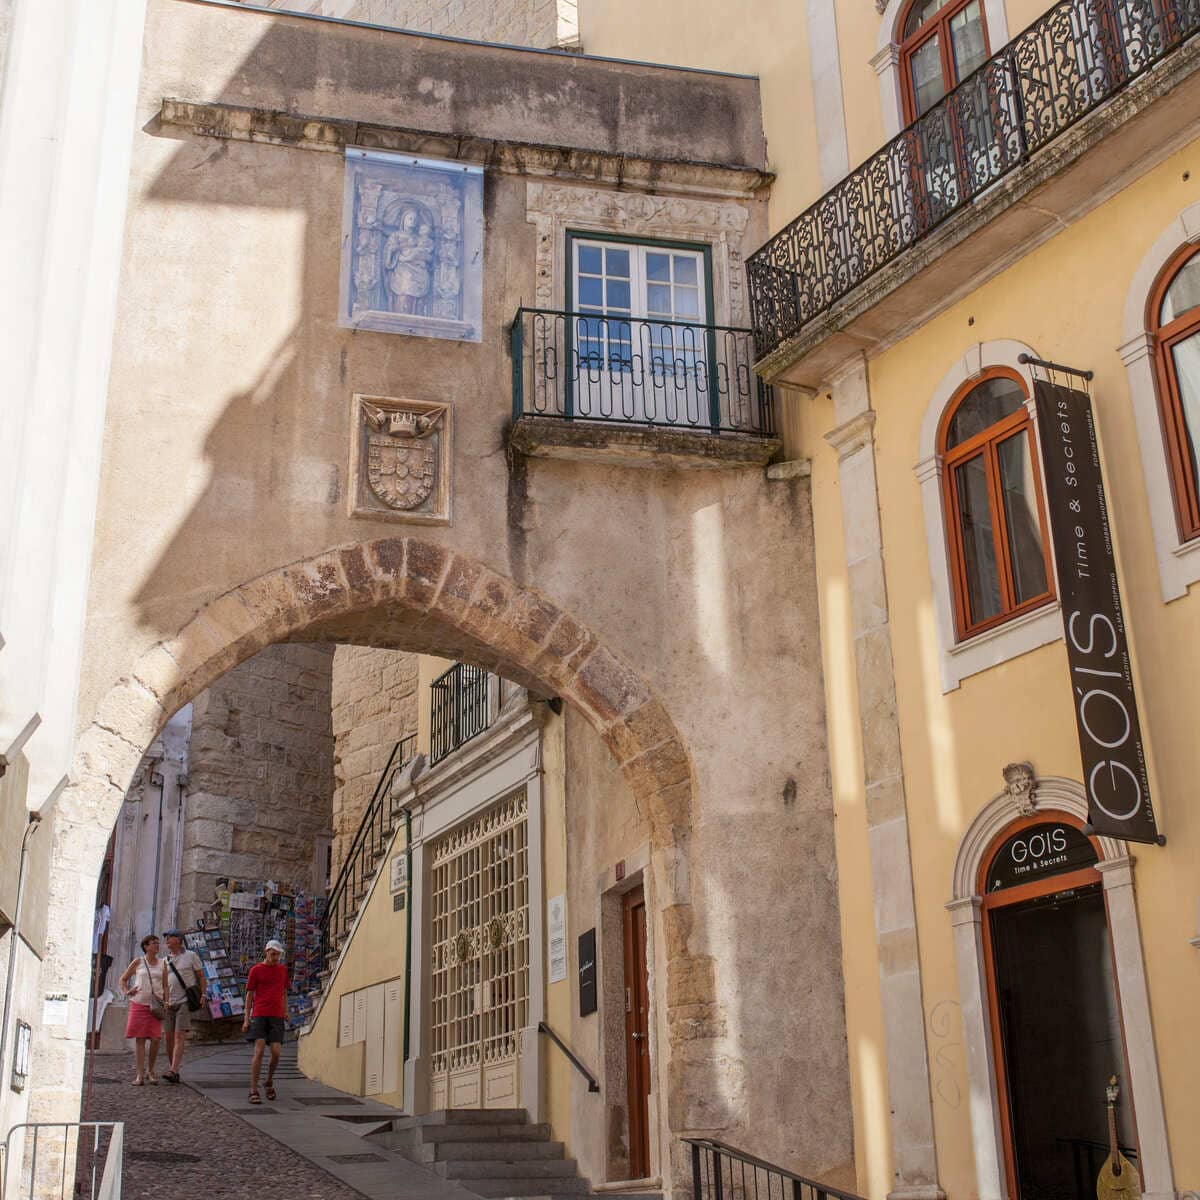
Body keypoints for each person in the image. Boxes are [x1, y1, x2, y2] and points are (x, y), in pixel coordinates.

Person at [117, 935, 168, 1085]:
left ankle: (150, 1070)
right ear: (146, 946)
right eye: (154, 943)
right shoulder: (138, 962)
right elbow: (123, 979)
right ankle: (139, 1075)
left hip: (156, 1006)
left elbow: (165, 985)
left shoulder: (163, 964)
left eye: (158, 943)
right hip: (138, 1004)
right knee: (140, 1039)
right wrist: (126, 991)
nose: (157, 945)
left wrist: (167, 1000)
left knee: (156, 1039)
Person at [242, 939, 288, 1104]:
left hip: (276, 1015)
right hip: (260, 1014)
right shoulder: (256, 970)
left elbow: (284, 992)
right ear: (266, 952)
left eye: (278, 954)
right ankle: (253, 1089)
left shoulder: (282, 970)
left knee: (276, 1053)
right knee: (259, 1051)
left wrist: (286, 1011)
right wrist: (246, 1019)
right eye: (273, 953)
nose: (275, 957)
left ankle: (268, 1080)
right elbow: (249, 995)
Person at [162, 929, 205, 1084]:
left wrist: (203, 994)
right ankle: (173, 1069)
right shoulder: (165, 960)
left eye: (169, 937)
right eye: (166, 938)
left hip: (184, 1001)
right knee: (168, 1038)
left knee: (179, 1035)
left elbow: (201, 976)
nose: (166, 939)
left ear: (179, 940)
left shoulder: (191, 956)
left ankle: (173, 1069)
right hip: (169, 1003)